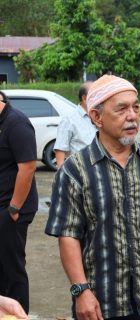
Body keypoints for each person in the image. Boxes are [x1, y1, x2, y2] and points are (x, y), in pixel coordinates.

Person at [45, 75, 140, 320]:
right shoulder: (75, 170)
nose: (133, 116)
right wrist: (80, 290)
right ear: (97, 117)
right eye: (122, 109)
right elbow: (67, 234)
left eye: (136, 107)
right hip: (99, 301)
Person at [0, 90, 38, 314]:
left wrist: (13, 209)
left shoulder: (16, 123)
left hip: (11, 209)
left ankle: (19, 314)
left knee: (12, 268)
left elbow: (28, 167)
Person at [54, 81, 96, 168]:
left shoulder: (100, 116)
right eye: (94, 95)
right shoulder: (69, 119)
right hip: (80, 171)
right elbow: (60, 149)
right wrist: (61, 175)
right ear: (84, 98)